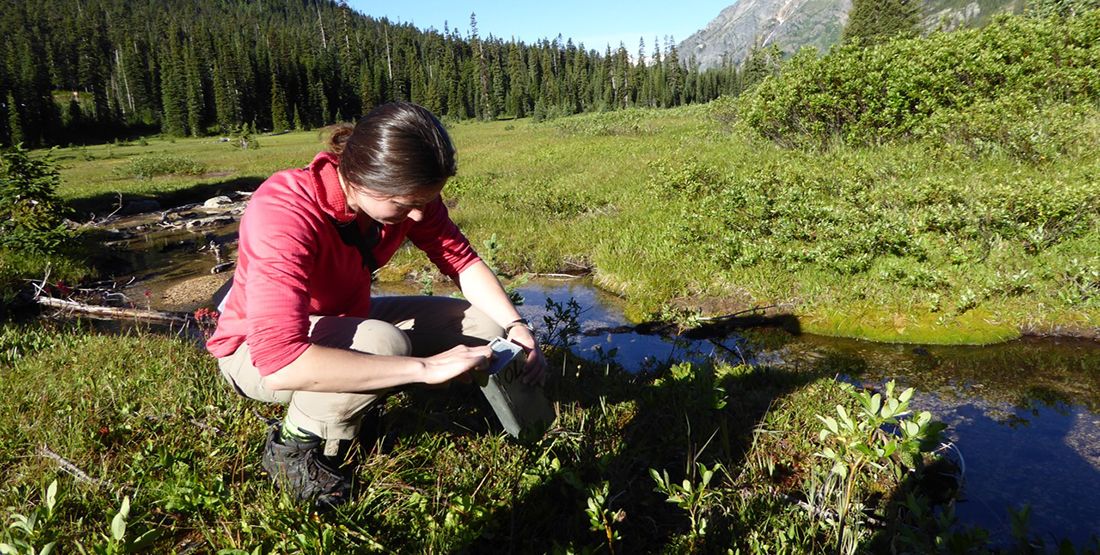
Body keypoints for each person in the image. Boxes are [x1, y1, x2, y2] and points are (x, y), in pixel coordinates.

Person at [206, 102, 547, 509]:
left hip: (344, 320)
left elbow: (462, 261)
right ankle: (293, 448)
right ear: (361, 178)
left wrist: (516, 325)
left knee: (485, 326)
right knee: (385, 345)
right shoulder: (283, 210)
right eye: (405, 205)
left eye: (427, 199)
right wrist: (424, 369)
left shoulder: (407, 196)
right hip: (252, 352)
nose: (419, 214)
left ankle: (385, 390)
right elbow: (279, 361)